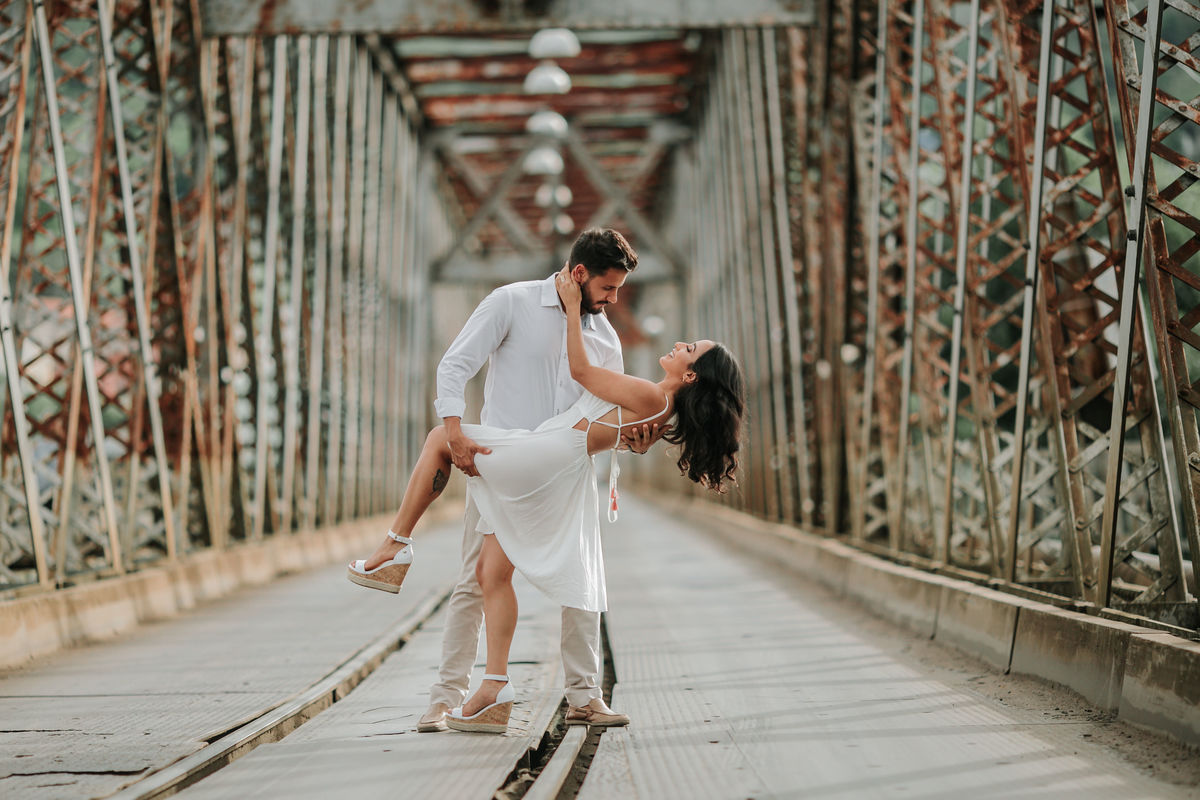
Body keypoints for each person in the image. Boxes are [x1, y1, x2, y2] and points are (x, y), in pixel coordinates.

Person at [348, 265, 745, 733]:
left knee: (441, 436)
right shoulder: (655, 406)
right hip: (553, 455)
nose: (680, 345)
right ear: (583, 273)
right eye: (609, 288)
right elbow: (609, 426)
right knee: (490, 573)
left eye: (690, 349)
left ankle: (395, 544)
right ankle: (493, 691)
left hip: (548, 454)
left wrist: (573, 311)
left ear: (693, 375)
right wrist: (624, 440)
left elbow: (580, 372)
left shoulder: (650, 394)